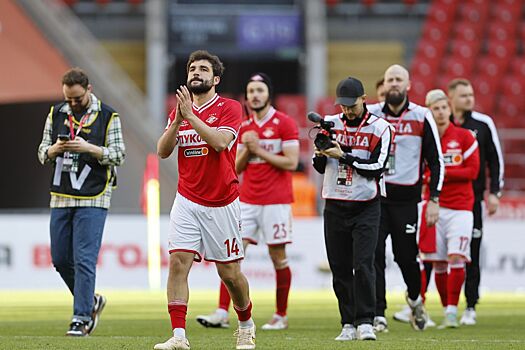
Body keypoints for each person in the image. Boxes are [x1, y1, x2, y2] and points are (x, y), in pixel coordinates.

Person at [155, 50, 256, 350]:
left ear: (215, 79)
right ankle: (178, 337)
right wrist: (177, 121)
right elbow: (162, 151)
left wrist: (191, 117)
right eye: (192, 68)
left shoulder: (230, 107)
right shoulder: (179, 112)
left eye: (202, 69)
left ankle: (246, 325)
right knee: (177, 264)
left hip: (221, 202)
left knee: (230, 274)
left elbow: (220, 142)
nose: (195, 73)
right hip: (186, 199)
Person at [196, 72, 299, 331]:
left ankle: (281, 315)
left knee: (278, 256)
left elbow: (292, 162)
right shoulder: (242, 126)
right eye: (251, 91)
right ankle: (222, 311)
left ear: (268, 94)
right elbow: (236, 167)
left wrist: (259, 149)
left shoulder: (284, 123)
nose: (255, 95)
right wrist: (247, 150)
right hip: (248, 201)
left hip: (276, 201)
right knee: (231, 256)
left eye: (259, 90)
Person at [37, 67, 125, 336]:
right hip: (62, 193)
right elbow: (42, 153)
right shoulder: (57, 113)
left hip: (95, 194)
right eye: (68, 99)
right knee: (61, 259)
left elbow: (119, 155)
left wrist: (88, 148)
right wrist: (55, 149)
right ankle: (91, 300)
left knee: (84, 258)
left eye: (77, 99)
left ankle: (80, 317)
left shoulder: (109, 116)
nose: (72, 104)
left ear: (89, 89)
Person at [312, 77, 393, 341]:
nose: (347, 110)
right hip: (334, 202)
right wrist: (321, 153)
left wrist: (343, 155)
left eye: (352, 105)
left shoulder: (381, 128)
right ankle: (347, 322)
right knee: (340, 266)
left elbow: (378, 168)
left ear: (364, 99)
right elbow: (319, 167)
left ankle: (366, 320)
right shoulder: (331, 124)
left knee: (364, 264)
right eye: (343, 106)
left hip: (366, 205)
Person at [367, 64, 444, 332]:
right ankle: (378, 314)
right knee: (374, 255)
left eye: (399, 79)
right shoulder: (372, 115)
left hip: (406, 200)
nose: (395, 84)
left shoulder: (423, 116)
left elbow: (436, 161)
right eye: (390, 80)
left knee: (406, 257)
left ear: (408, 85)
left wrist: (433, 198)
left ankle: (414, 300)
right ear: (384, 85)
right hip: (375, 198)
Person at [419, 89, 480, 327]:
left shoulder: (464, 137)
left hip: (461, 207)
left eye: (444, 107)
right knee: (438, 262)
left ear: (449, 109)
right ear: (429, 112)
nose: (442, 111)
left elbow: (472, 172)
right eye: (436, 108)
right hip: (434, 206)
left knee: (457, 257)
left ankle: (454, 311)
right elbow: (420, 172)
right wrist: (437, 175)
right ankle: (446, 310)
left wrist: (438, 174)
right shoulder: (425, 138)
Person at [447, 78, 504, 325]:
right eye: (464, 95)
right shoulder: (440, 123)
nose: (470, 99)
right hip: (442, 199)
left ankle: (470, 305)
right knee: (434, 255)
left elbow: (495, 160)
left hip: (471, 201)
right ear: (451, 98)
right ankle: (432, 304)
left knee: (472, 251)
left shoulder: (483, 124)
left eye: (471, 94)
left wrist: (494, 193)